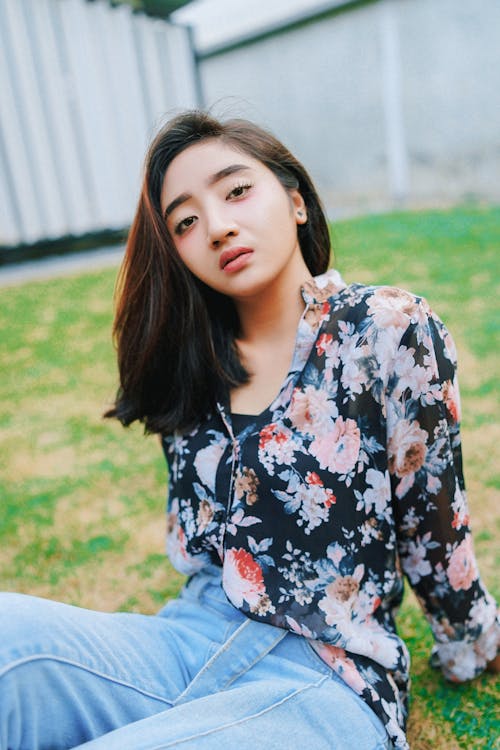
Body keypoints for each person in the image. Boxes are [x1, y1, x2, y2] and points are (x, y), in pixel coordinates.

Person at [0, 111, 498, 750]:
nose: (217, 226)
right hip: (183, 642)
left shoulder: (385, 328)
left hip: (325, 675)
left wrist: (471, 639)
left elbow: (435, 522)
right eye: (185, 221)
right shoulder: (191, 365)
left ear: (295, 201)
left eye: (236, 191)